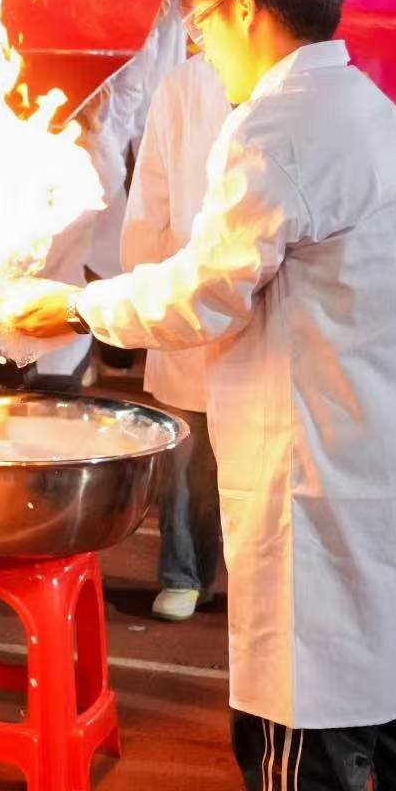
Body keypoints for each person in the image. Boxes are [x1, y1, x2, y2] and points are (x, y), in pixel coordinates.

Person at [8, 0, 396, 791]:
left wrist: (75, 307)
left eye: (199, 25)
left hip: (328, 478)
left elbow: (206, 293)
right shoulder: (360, 105)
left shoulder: (276, 126)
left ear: (241, 8)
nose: (198, 47)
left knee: (307, 741)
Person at [118, 46, 230, 622]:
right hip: (190, 286)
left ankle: (262, 583)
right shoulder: (186, 82)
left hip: (272, 301)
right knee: (188, 451)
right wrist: (143, 285)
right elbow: (152, 191)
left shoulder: (301, 83)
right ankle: (184, 572)